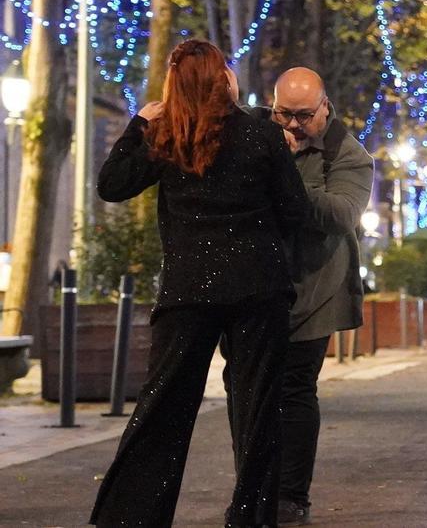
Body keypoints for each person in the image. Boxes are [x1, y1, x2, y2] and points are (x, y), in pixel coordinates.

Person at [90, 40, 308, 527]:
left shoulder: (169, 136)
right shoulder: (262, 137)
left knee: (164, 406)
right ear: (222, 79)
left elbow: (112, 184)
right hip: (259, 286)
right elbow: (296, 211)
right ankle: (251, 516)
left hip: (190, 288)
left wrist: (139, 125)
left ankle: (132, 516)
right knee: (257, 408)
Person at [258, 67, 374, 526]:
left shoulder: (349, 154)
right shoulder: (259, 132)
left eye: (303, 115)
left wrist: (282, 172)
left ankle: (290, 495)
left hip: (315, 290)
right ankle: (253, 488)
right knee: (247, 391)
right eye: (282, 113)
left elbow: (341, 214)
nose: (291, 124)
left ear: (325, 107)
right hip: (256, 286)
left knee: (295, 388)